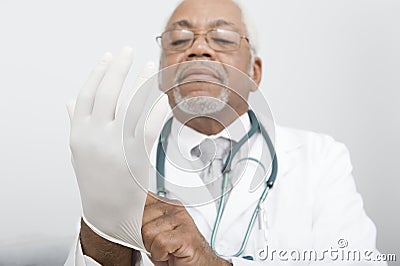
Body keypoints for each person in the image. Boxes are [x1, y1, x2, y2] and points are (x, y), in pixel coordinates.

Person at [65, 0, 385, 265]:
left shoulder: (321, 158)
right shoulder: (125, 160)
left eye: (222, 38)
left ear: (254, 73)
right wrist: (101, 228)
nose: (199, 48)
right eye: (179, 41)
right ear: (162, 74)